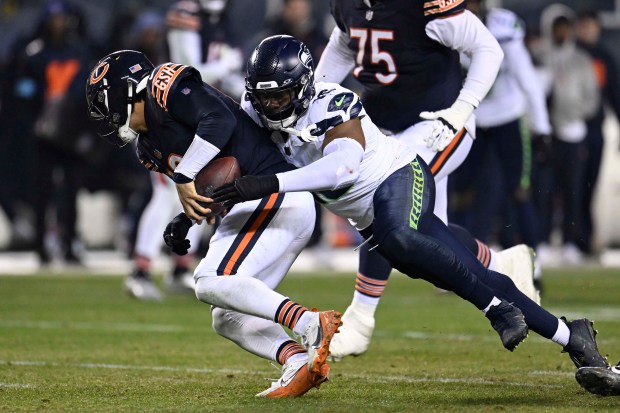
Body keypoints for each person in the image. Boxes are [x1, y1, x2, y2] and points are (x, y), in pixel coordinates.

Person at [214, 35, 613, 394]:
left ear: (301, 88)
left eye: (280, 97)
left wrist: (270, 184)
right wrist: (198, 207)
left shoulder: (332, 103)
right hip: (370, 215)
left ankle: (496, 309)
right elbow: (233, 152)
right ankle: (573, 337)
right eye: (264, 97)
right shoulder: (256, 109)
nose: (270, 105)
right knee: (466, 270)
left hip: (400, 176)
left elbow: (342, 169)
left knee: (399, 240)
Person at [86, 50, 341, 398]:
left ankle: (309, 323)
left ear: (126, 91)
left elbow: (220, 120)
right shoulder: (148, 148)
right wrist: (185, 220)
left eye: (104, 101)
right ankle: (296, 361)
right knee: (226, 315)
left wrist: (182, 174)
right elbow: (213, 183)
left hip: (272, 192)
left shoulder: (166, 87)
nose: (102, 112)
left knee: (209, 281)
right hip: (252, 205)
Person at [309, 0, 537, 360]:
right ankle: (499, 264)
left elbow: (487, 47)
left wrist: (462, 109)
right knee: (432, 238)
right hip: (385, 127)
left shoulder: (422, 4)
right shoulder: (348, 5)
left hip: (437, 125)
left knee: (383, 196)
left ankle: (360, 319)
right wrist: (314, 95)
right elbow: (344, 43)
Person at [450, 0, 552, 291]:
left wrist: (542, 127)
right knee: (461, 194)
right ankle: (454, 268)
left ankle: (534, 268)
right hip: (471, 118)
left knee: (519, 192)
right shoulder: (448, 26)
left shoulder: (504, 26)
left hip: (508, 115)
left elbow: (526, 76)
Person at [575, 10, 620, 257]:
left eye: (589, 26)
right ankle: (578, 236)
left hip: (595, 127)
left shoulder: (604, 57)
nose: (586, 30)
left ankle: (587, 235)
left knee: (590, 183)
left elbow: (614, 94)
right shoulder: (571, 54)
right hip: (572, 127)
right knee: (574, 183)